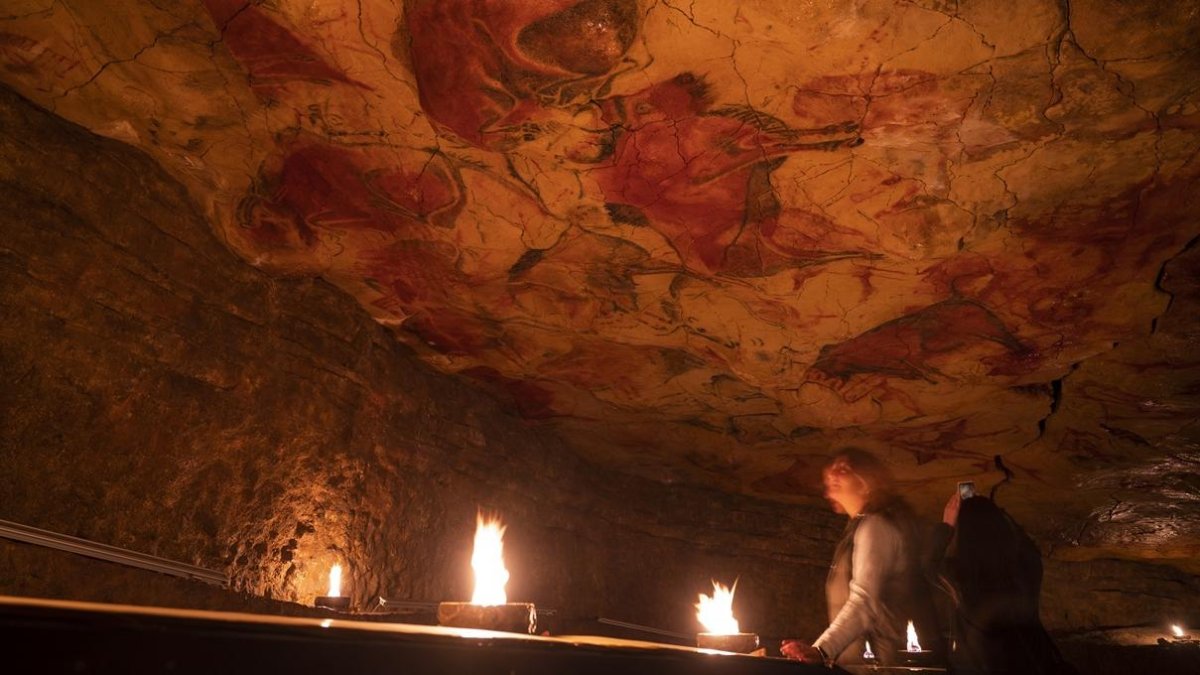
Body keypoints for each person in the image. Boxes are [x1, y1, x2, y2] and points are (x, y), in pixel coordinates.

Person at [781, 448, 944, 667]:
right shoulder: (863, 527)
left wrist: (821, 650)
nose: (833, 474)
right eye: (830, 473)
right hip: (868, 664)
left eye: (844, 468)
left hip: (881, 665)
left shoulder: (876, 526)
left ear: (866, 480)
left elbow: (864, 600)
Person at [937, 492, 1079, 674]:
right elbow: (1030, 548)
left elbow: (928, 564)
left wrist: (947, 524)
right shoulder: (1027, 568)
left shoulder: (960, 577)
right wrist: (1000, 515)